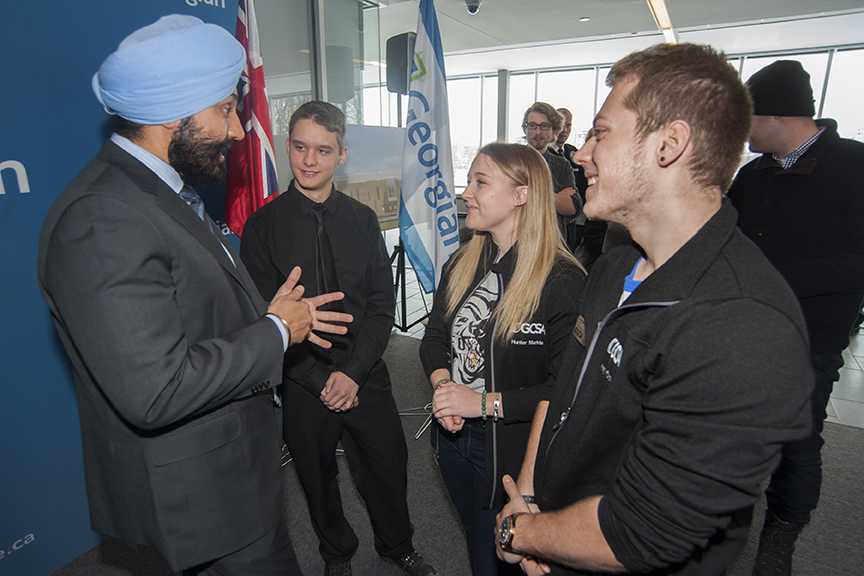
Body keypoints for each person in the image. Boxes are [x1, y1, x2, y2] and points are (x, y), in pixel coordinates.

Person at [37, 15, 351, 576]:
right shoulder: (103, 217)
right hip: (204, 501)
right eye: (226, 110)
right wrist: (277, 331)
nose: (236, 131)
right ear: (173, 115)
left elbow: (192, 309)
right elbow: (156, 391)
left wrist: (262, 310)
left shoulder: (159, 191)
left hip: (235, 476)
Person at [494, 43, 814, 576]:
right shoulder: (614, 265)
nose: (581, 154)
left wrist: (520, 532)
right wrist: (528, 497)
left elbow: (639, 534)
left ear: (669, 144)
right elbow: (560, 392)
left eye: (601, 132)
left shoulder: (743, 328)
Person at [240, 101, 435, 576]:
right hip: (301, 378)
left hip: (363, 371)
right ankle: (336, 552)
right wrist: (317, 378)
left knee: (388, 464)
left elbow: (380, 307)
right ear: (287, 147)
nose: (310, 160)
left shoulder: (363, 220)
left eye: (323, 150)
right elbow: (258, 317)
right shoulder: (261, 227)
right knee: (315, 474)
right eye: (301, 147)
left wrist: (351, 374)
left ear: (341, 154)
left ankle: (397, 545)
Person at [420, 143, 586, 576]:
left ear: (521, 195)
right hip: (453, 440)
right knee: (479, 539)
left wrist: (483, 403)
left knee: (503, 558)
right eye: (469, 180)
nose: (465, 193)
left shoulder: (562, 280)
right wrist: (444, 390)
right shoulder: (461, 263)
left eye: (480, 182)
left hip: (514, 454)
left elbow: (565, 391)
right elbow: (434, 339)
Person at [727, 60, 864, 576]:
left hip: (811, 334)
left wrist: (776, 276)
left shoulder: (854, 166)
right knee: (735, 426)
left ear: (777, 116)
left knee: (797, 439)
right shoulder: (753, 173)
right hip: (743, 328)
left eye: (747, 120)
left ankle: (781, 535)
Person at [521, 102, 582, 252]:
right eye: (532, 125)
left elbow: (573, 208)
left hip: (552, 247)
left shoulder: (562, 165)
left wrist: (528, 194)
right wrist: (555, 200)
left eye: (544, 126)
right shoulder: (511, 161)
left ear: (554, 130)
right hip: (519, 243)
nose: (538, 132)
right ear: (525, 128)